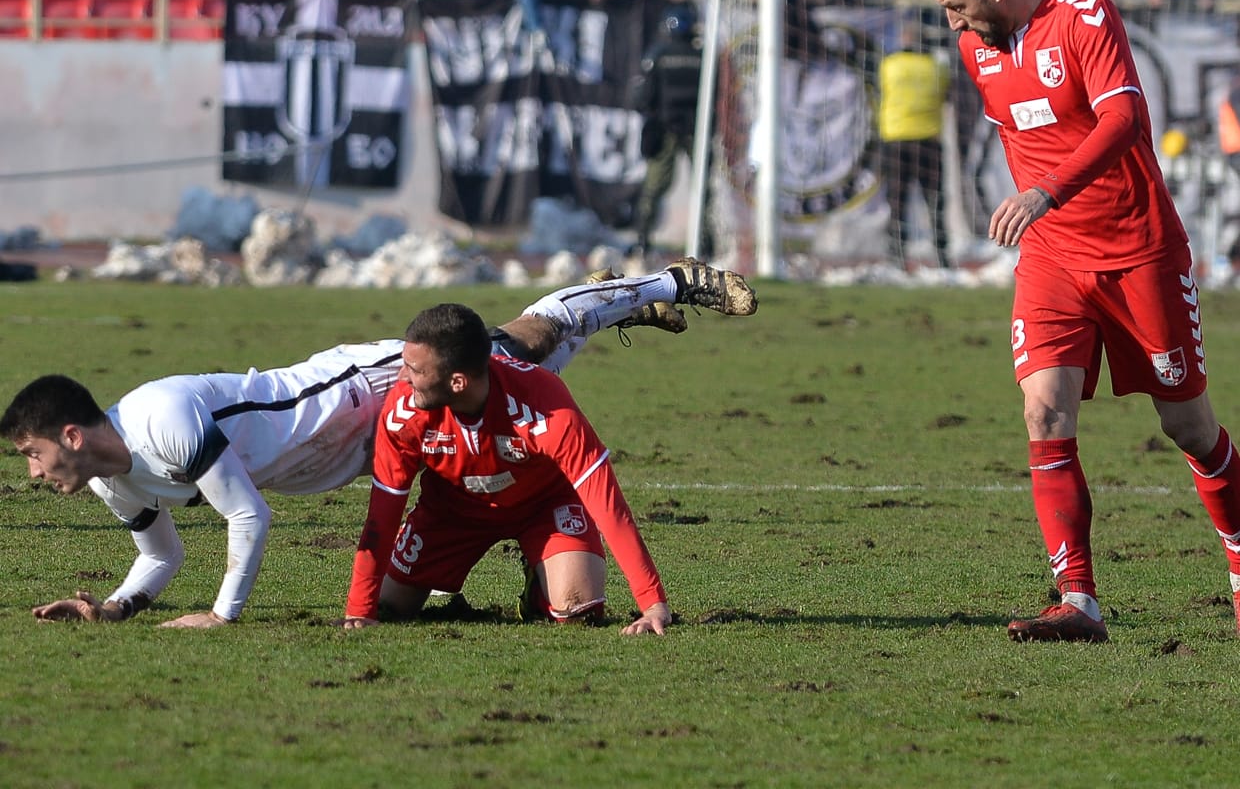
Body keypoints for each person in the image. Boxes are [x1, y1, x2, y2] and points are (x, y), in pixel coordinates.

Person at [1, 260, 757, 628]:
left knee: (525, 349)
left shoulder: (162, 415)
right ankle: (497, 559)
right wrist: (114, 608)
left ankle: (656, 283)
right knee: (486, 424)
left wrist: (224, 616)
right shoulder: (109, 480)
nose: (33, 473)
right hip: (359, 455)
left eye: (32, 455)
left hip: (356, 393)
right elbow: (162, 556)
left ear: (70, 434)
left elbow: (247, 516)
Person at [929, 0, 1240, 643]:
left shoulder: (1082, 13)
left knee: (1188, 428)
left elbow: (1126, 119)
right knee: (1044, 412)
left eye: (957, 6)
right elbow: (1019, 133)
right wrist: (1043, 214)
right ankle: (1079, 601)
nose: (954, 24)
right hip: (1052, 260)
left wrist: (1047, 191)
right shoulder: (977, 49)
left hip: (1140, 256)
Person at [337, 288, 745, 636]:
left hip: (543, 507)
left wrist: (652, 603)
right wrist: (360, 608)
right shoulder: (403, 411)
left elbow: (608, 506)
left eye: (413, 369)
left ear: (457, 382)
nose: (401, 377)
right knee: (392, 609)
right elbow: (383, 514)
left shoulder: (545, 405)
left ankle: (540, 584)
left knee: (577, 608)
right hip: (450, 513)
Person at [877, 18, 953, 270]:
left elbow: (882, 91)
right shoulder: (936, 67)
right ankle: (942, 256)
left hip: (896, 139)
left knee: (897, 202)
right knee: (935, 202)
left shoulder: (889, 66)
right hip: (929, 140)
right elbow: (946, 95)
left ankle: (897, 255)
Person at [628, 3, 703, 255]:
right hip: (695, 129)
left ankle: (642, 240)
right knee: (703, 187)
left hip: (666, 128)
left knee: (653, 187)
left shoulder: (657, 55)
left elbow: (642, 97)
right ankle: (707, 241)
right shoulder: (702, 56)